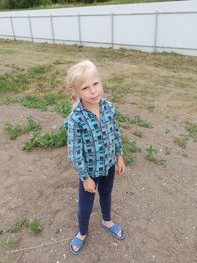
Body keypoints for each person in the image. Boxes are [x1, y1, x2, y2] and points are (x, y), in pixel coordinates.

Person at [64, 60, 127, 255]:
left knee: (107, 194)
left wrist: (120, 156)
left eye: (96, 84)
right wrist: (85, 177)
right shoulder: (75, 120)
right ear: (75, 93)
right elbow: (74, 152)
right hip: (89, 173)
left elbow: (115, 132)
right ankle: (82, 233)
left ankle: (107, 221)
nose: (93, 91)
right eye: (85, 87)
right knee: (85, 206)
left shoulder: (108, 108)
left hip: (108, 166)